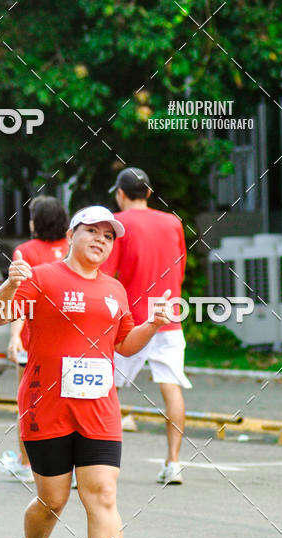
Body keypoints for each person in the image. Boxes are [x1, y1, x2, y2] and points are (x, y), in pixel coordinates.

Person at [0, 205, 172, 538]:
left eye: (109, 235)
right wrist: (9, 287)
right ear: (72, 234)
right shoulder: (43, 277)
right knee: (52, 501)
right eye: (93, 231)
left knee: (103, 493)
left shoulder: (115, 289)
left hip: (99, 410)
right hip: (45, 405)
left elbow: (124, 344)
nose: (101, 240)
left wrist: (154, 325)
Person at [101, 166, 192, 485]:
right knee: (172, 388)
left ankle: (98, 465)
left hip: (131, 321)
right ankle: (174, 463)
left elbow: (106, 275)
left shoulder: (117, 223)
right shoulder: (173, 222)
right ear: (150, 193)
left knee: (103, 390)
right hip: (168, 315)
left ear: (121, 194)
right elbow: (180, 268)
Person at [3, 196, 69, 483]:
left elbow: (22, 299)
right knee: (69, 404)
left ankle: (26, 463)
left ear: (35, 222)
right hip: (73, 342)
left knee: (29, 403)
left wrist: (15, 335)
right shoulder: (73, 248)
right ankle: (73, 465)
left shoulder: (25, 252)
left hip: (36, 342)